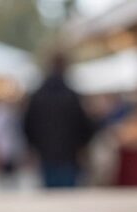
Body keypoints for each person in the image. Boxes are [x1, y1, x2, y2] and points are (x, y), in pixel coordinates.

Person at [23, 54, 97, 189]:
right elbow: (85, 125)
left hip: (45, 153)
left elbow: (27, 125)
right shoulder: (71, 96)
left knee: (50, 194)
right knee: (67, 195)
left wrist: (32, 147)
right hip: (69, 154)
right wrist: (82, 145)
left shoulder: (38, 96)